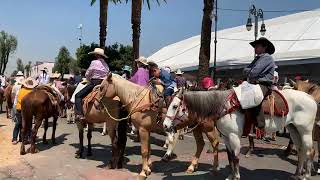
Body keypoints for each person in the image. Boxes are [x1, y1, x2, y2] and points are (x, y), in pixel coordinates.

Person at [243, 37, 276, 129]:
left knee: (254, 97)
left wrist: (250, 71)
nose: (255, 48)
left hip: (263, 84)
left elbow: (254, 72)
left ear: (264, 47)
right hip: (253, 83)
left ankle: (260, 124)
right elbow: (244, 70)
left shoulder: (267, 58)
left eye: (257, 46)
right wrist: (250, 71)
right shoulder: (257, 59)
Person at [75, 48, 109, 120]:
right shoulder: (105, 64)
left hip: (94, 83)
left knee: (77, 96)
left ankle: (80, 114)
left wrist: (88, 80)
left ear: (96, 55)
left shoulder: (94, 62)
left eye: (95, 54)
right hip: (104, 84)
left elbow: (88, 73)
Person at [12, 78, 38, 144]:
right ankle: (27, 138)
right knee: (28, 124)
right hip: (28, 110)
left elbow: (17, 100)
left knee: (18, 124)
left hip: (19, 109)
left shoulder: (20, 90)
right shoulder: (32, 92)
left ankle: (15, 138)